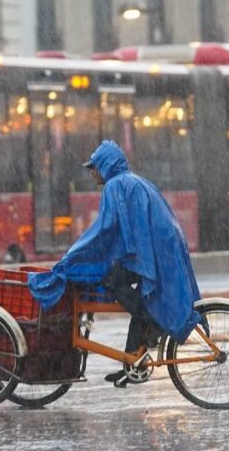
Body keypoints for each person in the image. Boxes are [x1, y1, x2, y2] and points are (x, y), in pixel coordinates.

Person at [28, 140, 202, 387]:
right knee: (137, 299)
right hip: (162, 244)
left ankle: (149, 320)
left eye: (94, 167)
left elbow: (105, 228)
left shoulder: (115, 186)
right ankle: (132, 362)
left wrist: (74, 254)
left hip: (153, 248)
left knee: (112, 281)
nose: (91, 172)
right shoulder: (133, 181)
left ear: (105, 166)